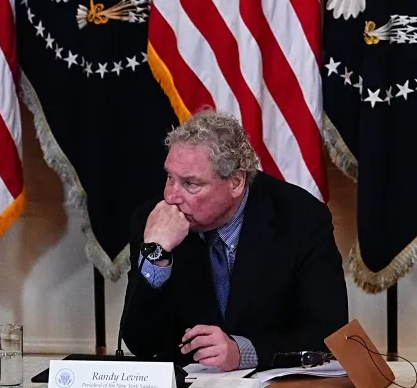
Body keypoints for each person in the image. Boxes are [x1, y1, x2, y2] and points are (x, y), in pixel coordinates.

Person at [119, 111, 348, 370]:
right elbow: (141, 343)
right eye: (170, 177)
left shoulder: (301, 218)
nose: (171, 196)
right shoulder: (153, 220)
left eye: (190, 184)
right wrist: (157, 254)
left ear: (236, 182)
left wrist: (244, 352)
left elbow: (329, 332)